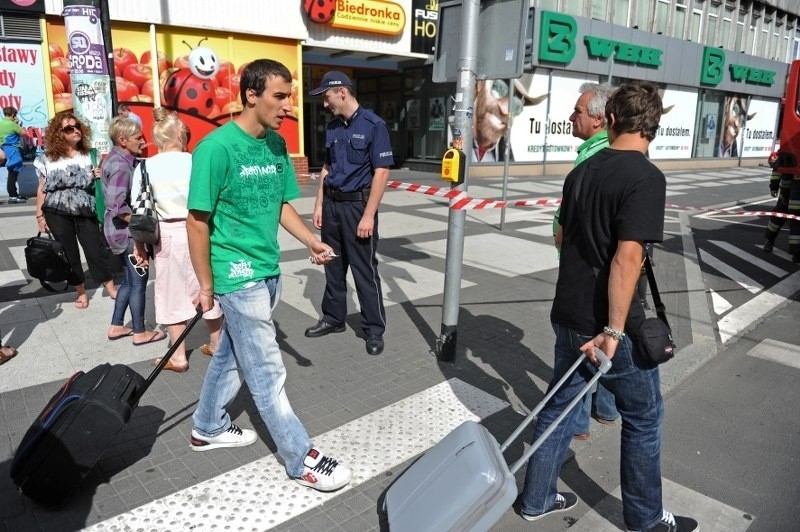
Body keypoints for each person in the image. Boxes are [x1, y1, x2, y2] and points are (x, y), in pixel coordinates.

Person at [520, 81, 698, 532]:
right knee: (644, 417)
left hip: (567, 314)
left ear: (611, 119)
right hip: (608, 327)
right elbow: (628, 257)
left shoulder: (582, 171)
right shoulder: (645, 177)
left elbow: (563, 237)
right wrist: (615, 330)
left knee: (558, 407)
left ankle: (535, 499)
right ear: (654, 127)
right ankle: (645, 519)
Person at [187, 59, 352, 492]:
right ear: (251, 95)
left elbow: (281, 206)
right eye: (279, 96)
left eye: (288, 96)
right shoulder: (215, 148)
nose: (287, 105)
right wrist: (206, 287)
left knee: (233, 358)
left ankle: (207, 425)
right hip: (235, 273)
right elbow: (197, 222)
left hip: (267, 270)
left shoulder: (277, 147)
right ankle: (300, 457)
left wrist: (310, 241)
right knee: (266, 370)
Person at [305, 70, 393, 356]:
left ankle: (374, 329)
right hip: (332, 206)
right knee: (332, 265)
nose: (325, 103)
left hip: (358, 208)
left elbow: (381, 173)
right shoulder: (332, 128)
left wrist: (369, 215)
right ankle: (333, 318)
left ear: (341, 92)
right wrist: (318, 205)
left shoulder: (374, 125)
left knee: (364, 271)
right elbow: (327, 169)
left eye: (327, 96)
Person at [130, 107, 222, 372]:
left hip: (166, 234)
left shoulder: (145, 166)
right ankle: (216, 343)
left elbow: (140, 210)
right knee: (205, 286)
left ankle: (179, 356)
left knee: (171, 292)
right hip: (200, 230)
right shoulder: (195, 161)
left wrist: (139, 246)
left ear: (157, 138)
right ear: (181, 136)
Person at [553, 82, 619, 440]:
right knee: (610, 335)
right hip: (609, 274)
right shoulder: (615, 154)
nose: (570, 117)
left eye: (577, 111)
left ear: (597, 119)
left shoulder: (593, 160)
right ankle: (606, 409)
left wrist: (564, 249)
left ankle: (575, 425)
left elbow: (569, 221)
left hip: (585, 275)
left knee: (579, 351)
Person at [34, 111, 118, 308]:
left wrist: (99, 176)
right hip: (56, 211)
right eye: (68, 128)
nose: (75, 131)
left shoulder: (90, 155)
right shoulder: (47, 159)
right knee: (68, 252)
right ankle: (80, 290)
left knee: (95, 249)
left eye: (77, 126)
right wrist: (39, 214)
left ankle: (110, 286)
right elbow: (42, 189)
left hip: (85, 209)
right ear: (59, 133)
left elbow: (100, 186)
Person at [103, 116, 166, 345]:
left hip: (119, 231)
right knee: (139, 280)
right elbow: (117, 206)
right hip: (127, 233)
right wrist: (142, 223)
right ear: (122, 139)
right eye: (138, 137)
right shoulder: (121, 165)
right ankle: (140, 332)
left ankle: (117, 325)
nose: (143, 141)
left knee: (129, 282)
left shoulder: (117, 159)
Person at [471, 77, 547, 162]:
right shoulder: (456, 135)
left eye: (516, 105)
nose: (505, 110)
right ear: (480, 84)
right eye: (499, 89)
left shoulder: (504, 153)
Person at [763, 152, 792, 253]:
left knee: (796, 223)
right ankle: (769, 241)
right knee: (777, 218)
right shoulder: (788, 149)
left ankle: (795, 250)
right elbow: (777, 170)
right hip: (786, 194)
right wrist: (774, 187)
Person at [0, 106, 25, 202]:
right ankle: (13, 195)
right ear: (13, 115)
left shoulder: (1, 123)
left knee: (11, 172)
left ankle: (14, 194)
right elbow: (23, 133)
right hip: (13, 149)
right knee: (13, 173)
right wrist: (17, 123)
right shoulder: (11, 124)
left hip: (4, 149)